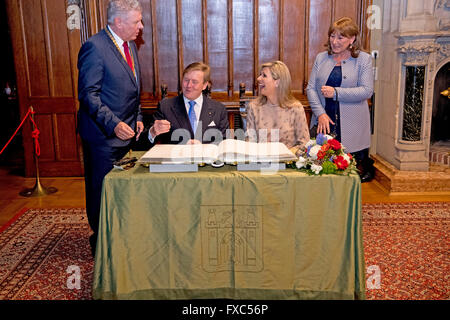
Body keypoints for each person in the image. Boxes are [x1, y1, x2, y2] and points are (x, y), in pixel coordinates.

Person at [77, 0, 144, 256]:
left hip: (126, 134)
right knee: (101, 190)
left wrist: (137, 116)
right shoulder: (94, 47)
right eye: (136, 21)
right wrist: (114, 124)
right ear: (118, 22)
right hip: (102, 136)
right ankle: (101, 243)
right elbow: (88, 95)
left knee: (121, 189)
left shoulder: (129, 45)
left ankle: (120, 234)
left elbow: (133, 90)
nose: (140, 26)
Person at [306, 17, 374, 182]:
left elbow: (367, 91)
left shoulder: (363, 60)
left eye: (340, 37)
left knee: (350, 176)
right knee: (322, 171)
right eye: (332, 36)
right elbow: (311, 88)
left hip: (352, 126)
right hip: (324, 122)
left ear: (352, 39)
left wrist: (336, 92)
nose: (335, 41)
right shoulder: (321, 58)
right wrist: (320, 114)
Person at [149, 62, 229, 145]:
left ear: (204, 85)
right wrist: (153, 132)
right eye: (186, 80)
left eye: (194, 82)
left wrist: (204, 147)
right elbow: (143, 144)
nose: (189, 85)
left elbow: (224, 143)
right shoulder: (165, 107)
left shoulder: (219, 109)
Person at [246, 60, 310, 156]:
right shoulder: (254, 107)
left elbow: (304, 144)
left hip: (289, 165)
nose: (258, 78)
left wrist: (284, 154)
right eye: (260, 75)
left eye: (264, 75)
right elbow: (249, 142)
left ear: (277, 82)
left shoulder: (296, 108)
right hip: (261, 164)